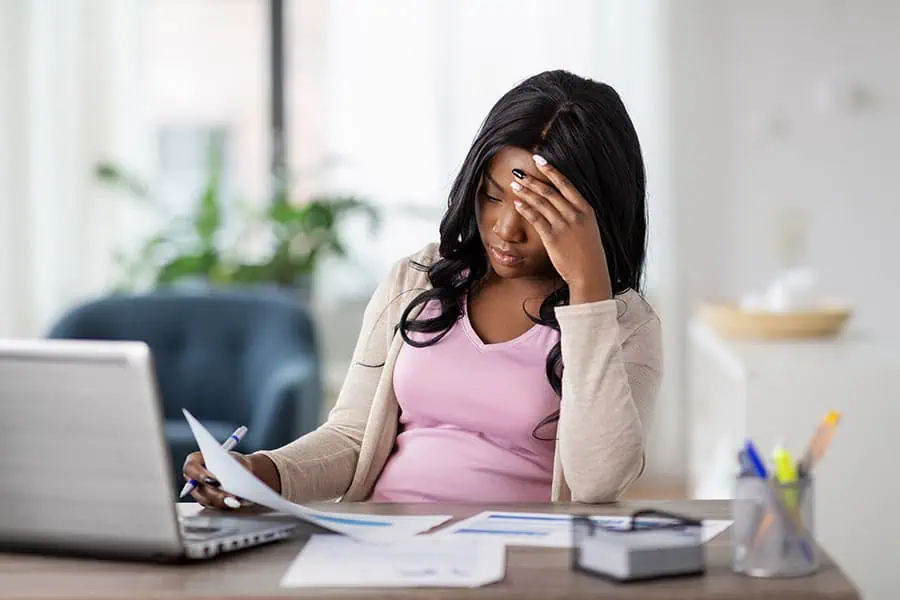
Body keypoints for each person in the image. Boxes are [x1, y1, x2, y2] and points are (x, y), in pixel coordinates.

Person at [184, 69, 662, 507]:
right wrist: (257, 472)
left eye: (539, 213)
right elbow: (353, 435)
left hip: (520, 560)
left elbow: (598, 482)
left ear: (591, 214)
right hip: (380, 543)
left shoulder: (623, 323)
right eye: (493, 196)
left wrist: (588, 289)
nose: (505, 229)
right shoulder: (416, 278)